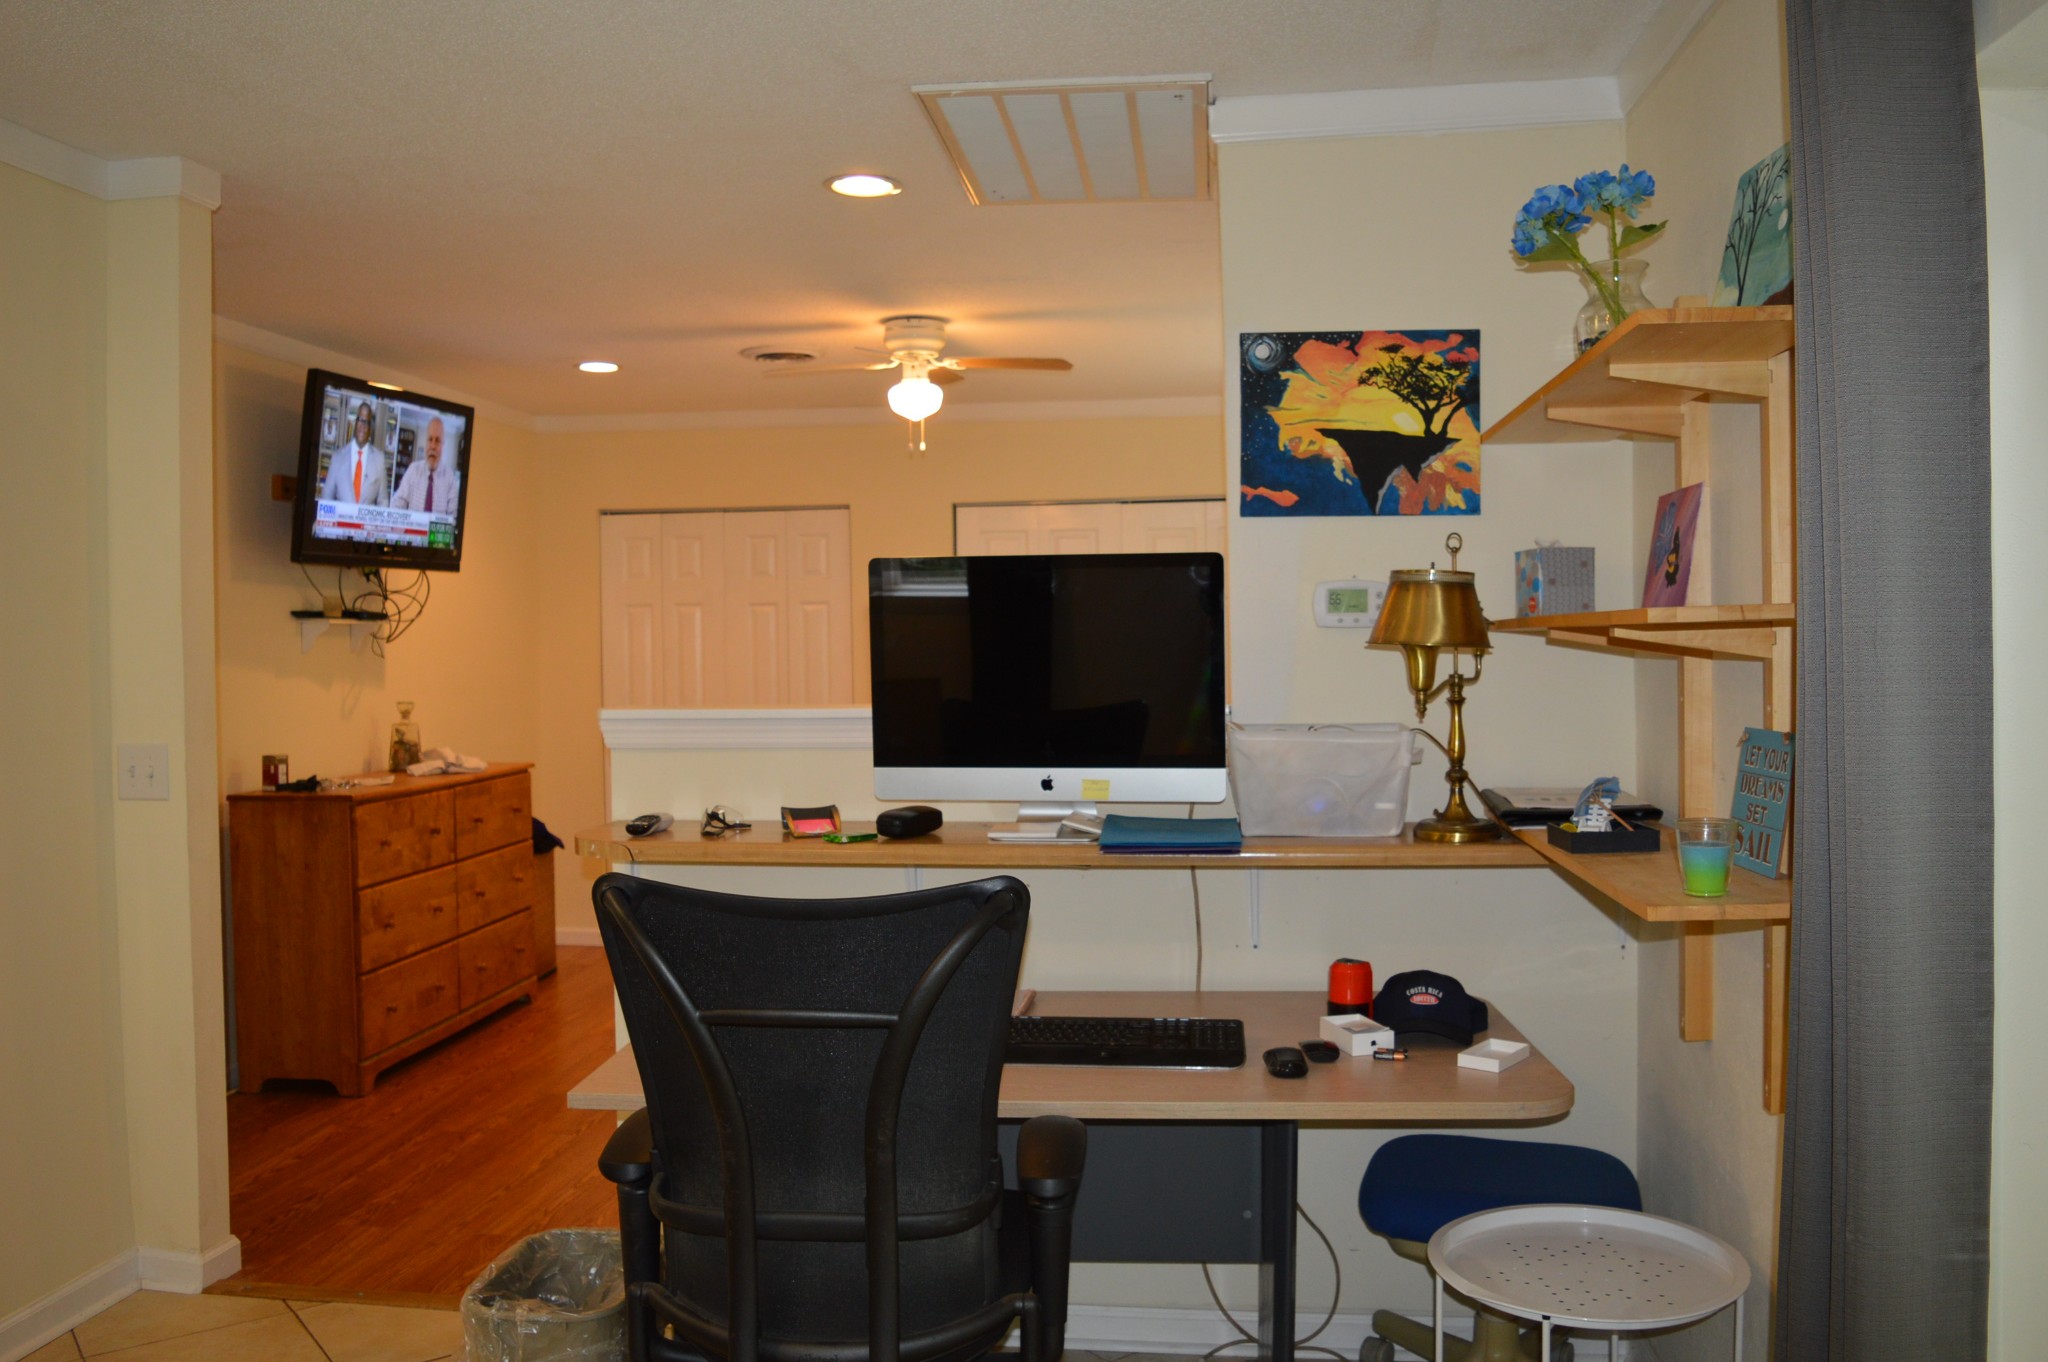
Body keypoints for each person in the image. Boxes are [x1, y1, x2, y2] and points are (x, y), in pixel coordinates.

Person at [320, 401, 388, 506]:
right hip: (341, 521)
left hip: (367, 522)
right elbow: (326, 497)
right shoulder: (338, 457)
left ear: (371, 428)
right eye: (361, 420)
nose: (363, 426)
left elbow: (383, 501)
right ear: (355, 422)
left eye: (367, 422)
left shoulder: (379, 459)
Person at [389, 416, 461, 514]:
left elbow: (454, 515)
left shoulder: (450, 477)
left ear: (443, 445)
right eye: (430, 439)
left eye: (438, 441)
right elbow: (397, 503)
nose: (433, 446)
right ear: (426, 443)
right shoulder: (413, 470)